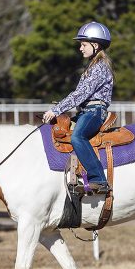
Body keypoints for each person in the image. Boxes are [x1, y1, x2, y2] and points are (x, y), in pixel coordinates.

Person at [42, 21, 114, 194]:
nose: (80, 48)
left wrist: (56, 110)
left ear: (95, 45)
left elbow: (80, 95)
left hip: (95, 112)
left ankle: (99, 179)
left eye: (83, 44)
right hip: (85, 112)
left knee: (77, 137)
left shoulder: (100, 68)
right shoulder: (92, 66)